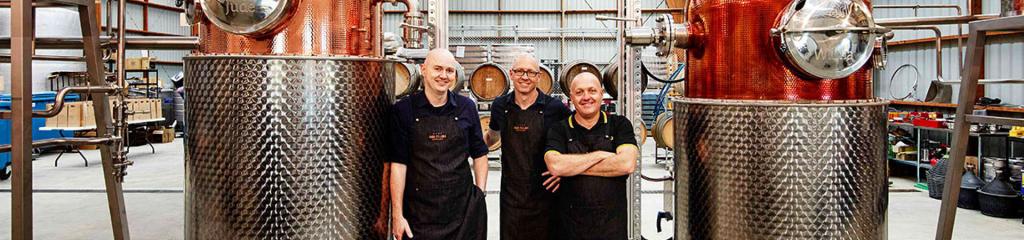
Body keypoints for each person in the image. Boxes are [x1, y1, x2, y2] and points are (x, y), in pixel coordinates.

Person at [387, 48, 489, 240]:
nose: (444, 76)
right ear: (423, 70)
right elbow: (399, 165)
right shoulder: (403, 110)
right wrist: (397, 215)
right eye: (438, 69)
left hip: (462, 212)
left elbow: (480, 154)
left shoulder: (466, 107)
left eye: (450, 71)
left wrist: (480, 194)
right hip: (419, 214)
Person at [543, 72, 639, 240]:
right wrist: (602, 155)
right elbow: (556, 166)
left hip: (611, 229)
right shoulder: (559, 129)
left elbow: (626, 164)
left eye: (592, 91)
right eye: (579, 92)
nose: (586, 97)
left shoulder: (619, 125)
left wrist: (572, 169)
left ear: (602, 93)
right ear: (571, 98)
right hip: (570, 230)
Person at [484, 54, 570, 240]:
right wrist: (465, 148)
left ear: (539, 77)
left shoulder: (555, 108)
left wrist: (565, 173)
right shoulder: (500, 106)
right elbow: (491, 137)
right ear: (511, 74)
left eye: (531, 72)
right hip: (512, 195)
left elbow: (574, 141)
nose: (525, 77)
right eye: (520, 71)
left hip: (547, 194)